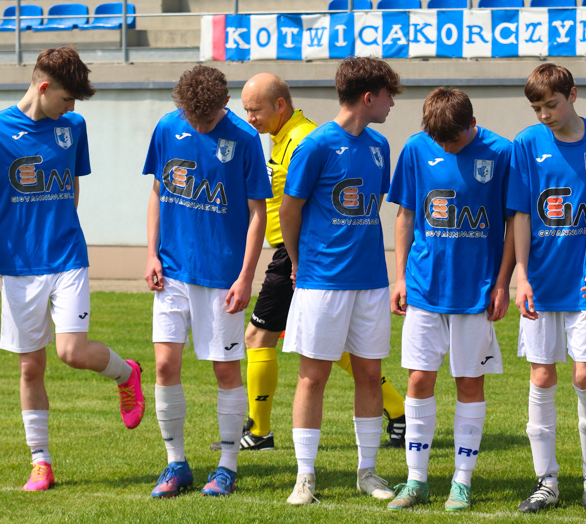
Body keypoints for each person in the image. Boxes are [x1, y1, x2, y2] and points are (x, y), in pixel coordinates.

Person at [0, 45, 145, 492]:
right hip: (17, 264)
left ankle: (127, 374)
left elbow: (72, 188)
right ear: (43, 88)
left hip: (66, 257)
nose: (72, 108)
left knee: (71, 352)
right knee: (30, 368)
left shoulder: (73, 127)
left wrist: (62, 229)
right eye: (66, 99)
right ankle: (41, 461)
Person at [234, 72, 406, 452]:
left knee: (260, 337)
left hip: (307, 258)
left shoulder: (306, 141)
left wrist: (297, 258)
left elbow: (302, 207)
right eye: (246, 111)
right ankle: (396, 409)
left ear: (281, 105)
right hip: (302, 256)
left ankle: (259, 431)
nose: (250, 119)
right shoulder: (286, 137)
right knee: (326, 348)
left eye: (255, 110)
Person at [143, 66, 270, 499]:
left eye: (208, 120)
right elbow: (159, 193)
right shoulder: (167, 126)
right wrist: (151, 254)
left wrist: (245, 276)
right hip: (173, 271)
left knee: (224, 370)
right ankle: (175, 462)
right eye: (192, 119)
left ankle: (227, 465)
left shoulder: (246, 139)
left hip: (222, 277)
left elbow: (258, 214)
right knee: (164, 365)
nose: (199, 127)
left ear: (225, 105)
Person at [385, 88, 515, 512]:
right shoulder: (415, 149)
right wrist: (400, 277)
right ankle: (416, 480)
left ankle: (461, 481)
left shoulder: (500, 153)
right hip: (424, 288)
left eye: (453, 141)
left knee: (468, 383)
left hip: (475, 292)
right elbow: (405, 215)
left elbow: (514, 224)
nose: (445, 147)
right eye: (438, 141)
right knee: (419, 381)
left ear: (471, 124)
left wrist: (502, 283)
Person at [279, 56, 402, 505]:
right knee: (314, 377)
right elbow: (289, 211)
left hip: (371, 280)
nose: (392, 103)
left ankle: (367, 472)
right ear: (369, 97)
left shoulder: (380, 145)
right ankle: (305, 476)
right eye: (389, 95)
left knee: (370, 374)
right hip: (322, 281)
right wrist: (298, 260)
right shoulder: (315, 145)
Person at [510, 64, 586, 513]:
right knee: (541, 377)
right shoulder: (526, 143)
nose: (544, 115)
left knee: (583, 374)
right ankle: (547, 480)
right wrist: (522, 274)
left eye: (551, 105)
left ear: (572, 95)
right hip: (541, 281)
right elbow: (519, 213)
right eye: (537, 108)